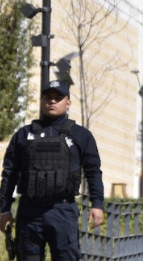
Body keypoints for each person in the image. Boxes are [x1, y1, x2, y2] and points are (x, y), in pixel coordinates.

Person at [0, 80, 105, 261]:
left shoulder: (81, 135)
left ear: (68, 102)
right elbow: (9, 173)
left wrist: (97, 204)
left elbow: (93, 171)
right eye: (48, 97)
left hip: (63, 210)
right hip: (29, 211)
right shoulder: (24, 135)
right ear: (42, 101)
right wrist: (4, 209)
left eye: (58, 98)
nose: (53, 101)